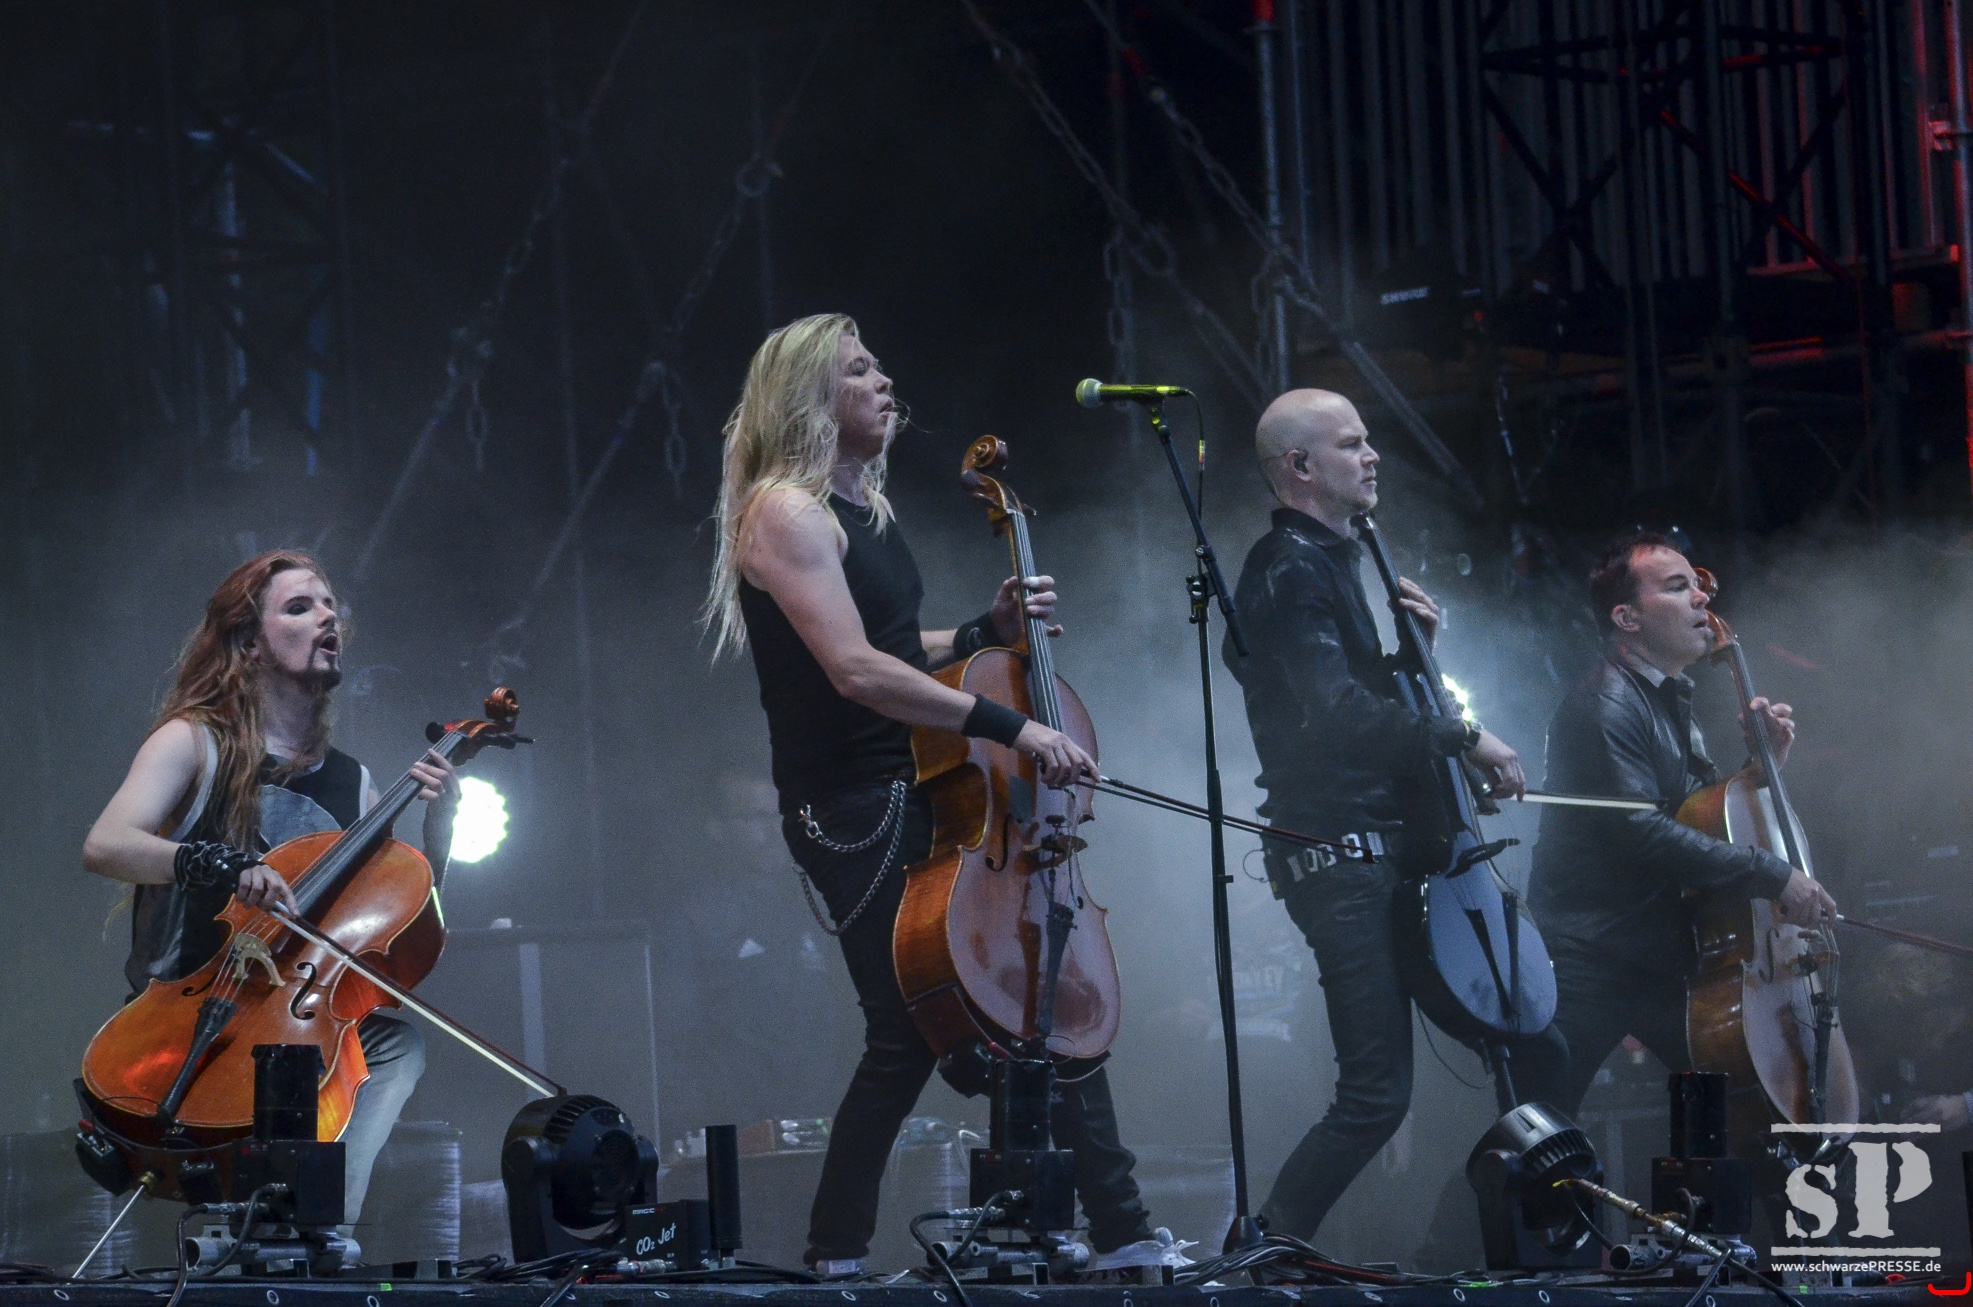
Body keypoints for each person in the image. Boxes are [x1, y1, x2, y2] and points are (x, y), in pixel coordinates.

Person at [703, 313, 1181, 1275]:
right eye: (858, 369)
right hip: (850, 803)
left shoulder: (862, 509)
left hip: (914, 779)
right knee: (916, 1023)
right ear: (809, 395)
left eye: (879, 364)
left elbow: (891, 645)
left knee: (1026, 994)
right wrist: (1014, 724)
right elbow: (853, 670)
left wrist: (976, 633)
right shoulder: (786, 512)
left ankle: (1117, 1230)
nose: (884, 381)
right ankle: (840, 1254)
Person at [1222, 388, 1565, 1242]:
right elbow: (1335, 716)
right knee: (1375, 1094)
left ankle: (1489, 1238)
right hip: (1339, 859)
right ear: (1300, 466)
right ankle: (1264, 1245)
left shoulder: (1329, 560)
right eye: (1351, 443)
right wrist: (1465, 734)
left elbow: (1354, 703)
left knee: (1531, 1043)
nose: (1372, 455)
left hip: (1393, 854)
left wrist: (1420, 661)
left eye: (1369, 440)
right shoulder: (1286, 567)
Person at [83, 550, 458, 1237]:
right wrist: (217, 864)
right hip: (191, 1009)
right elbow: (106, 844)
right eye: (300, 607)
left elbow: (388, 928)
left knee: (394, 1047)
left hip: (288, 1015)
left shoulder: (353, 783)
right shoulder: (194, 741)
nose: (327, 617)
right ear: (250, 643)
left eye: (330, 605)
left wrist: (440, 835)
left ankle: (323, 1226)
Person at [1525, 532, 1837, 1116]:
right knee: (1540, 1123)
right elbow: (1641, 832)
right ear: (1628, 618)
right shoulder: (1607, 703)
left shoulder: (1667, 697)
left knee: (1733, 1112)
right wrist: (1775, 875)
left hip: (1659, 956)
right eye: (1677, 587)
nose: (1702, 599)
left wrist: (1761, 769)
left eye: (1699, 585)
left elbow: (1699, 816)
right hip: (1591, 956)